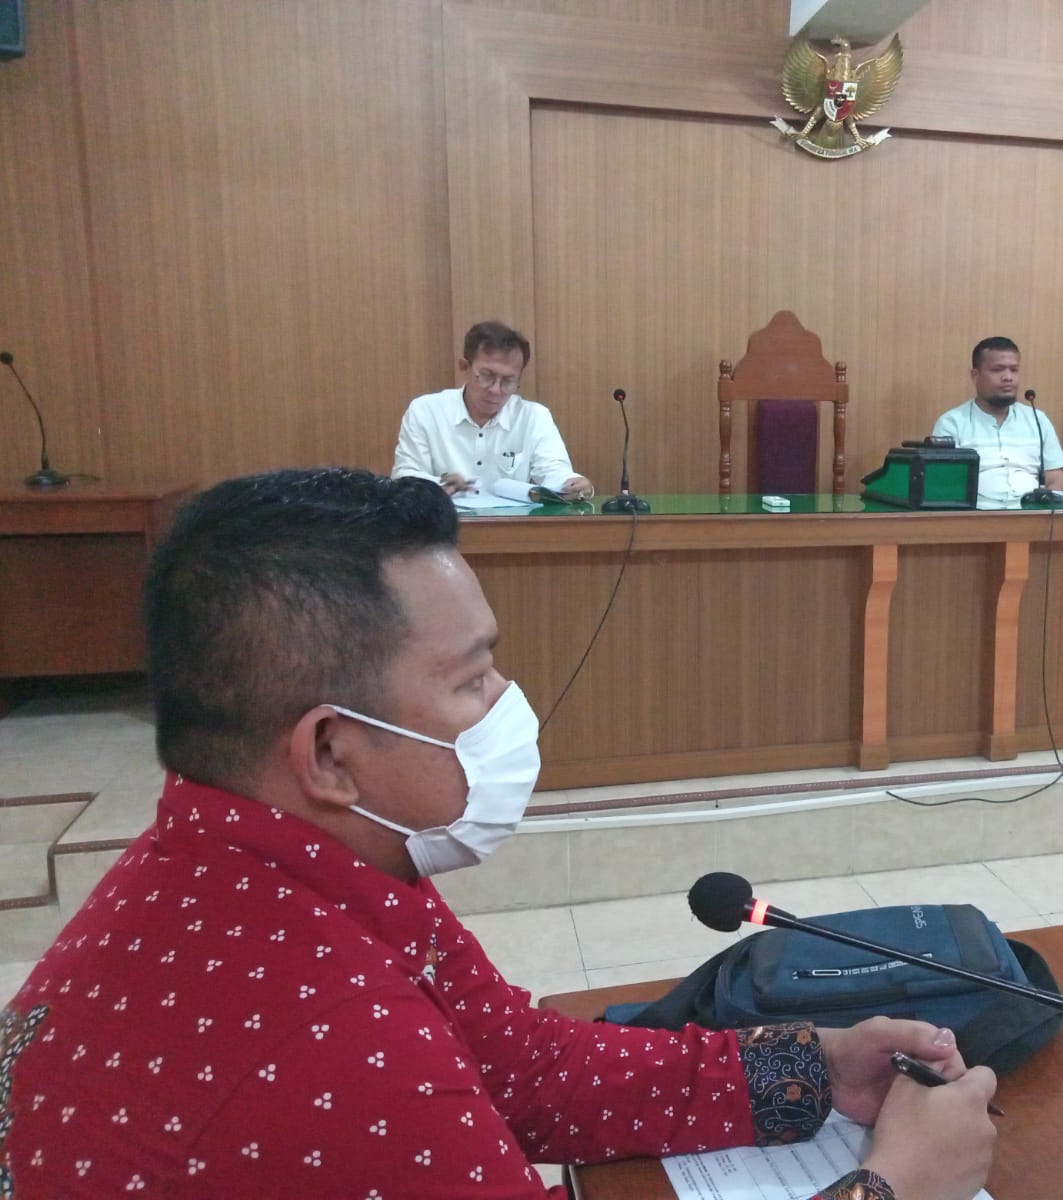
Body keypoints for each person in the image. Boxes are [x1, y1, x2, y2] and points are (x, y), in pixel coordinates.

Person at [0, 468, 996, 1200]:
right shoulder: (328, 1041)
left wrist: (813, 1068)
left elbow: (521, 1069)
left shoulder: (267, 860)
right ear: (331, 753)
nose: (507, 702)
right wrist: (897, 1186)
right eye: (473, 678)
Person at [393, 320, 595, 502]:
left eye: (508, 381)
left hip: (513, 528)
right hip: (441, 526)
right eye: (487, 376)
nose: (496, 390)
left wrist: (573, 484)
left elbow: (553, 471)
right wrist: (440, 485)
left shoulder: (534, 416)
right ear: (464, 367)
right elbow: (404, 476)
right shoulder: (426, 411)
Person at [932, 336, 1063, 508]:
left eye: (1014, 370)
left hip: (1031, 515)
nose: (1008, 377)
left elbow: (1055, 478)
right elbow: (944, 483)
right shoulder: (952, 423)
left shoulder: (1037, 419)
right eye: (997, 370)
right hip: (975, 516)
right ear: (975, 375)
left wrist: (1044, 513)